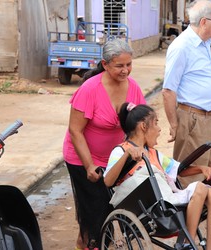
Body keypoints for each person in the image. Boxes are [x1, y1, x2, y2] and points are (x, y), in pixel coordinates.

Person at [62, 39, 146, 250]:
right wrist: (89, 165)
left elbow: (141, 123)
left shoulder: (133, 87)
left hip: (114, 159)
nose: (125, 70)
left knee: (112, 206)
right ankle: (89, 243)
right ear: (105, 64)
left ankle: (84, 242)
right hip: (83, 159)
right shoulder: (90, 89)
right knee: (97, 213)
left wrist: (139, 146)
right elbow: (75, 130)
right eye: (119, 65)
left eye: (129, 64)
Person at [104, 103, 211, 249]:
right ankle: (188, 243)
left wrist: (200, 168)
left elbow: (178, 169)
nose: (159, 129)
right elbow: (108, 181)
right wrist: (127, 155)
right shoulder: (120, 151)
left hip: (166, 201)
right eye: (156, 123)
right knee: (199, 188)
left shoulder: (154, 153)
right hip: (151, 209)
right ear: (143, 126)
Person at [162, 0, 211, 187]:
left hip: (209, 118)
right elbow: (168, 90)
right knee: (189, 174)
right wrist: (174, 124)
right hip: (193, 118)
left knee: (205, 169)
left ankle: (199, 213)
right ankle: (188, 213)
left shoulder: (204, 43)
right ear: (204, 22)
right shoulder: (182, 46)